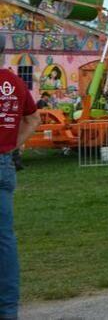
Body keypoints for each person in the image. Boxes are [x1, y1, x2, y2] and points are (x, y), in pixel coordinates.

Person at [1, 66, 42, 318]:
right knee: (4, 240)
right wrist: (10, 146)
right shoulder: (14, 82)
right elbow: (33, 119)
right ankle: (7, 310)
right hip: (3, 163)